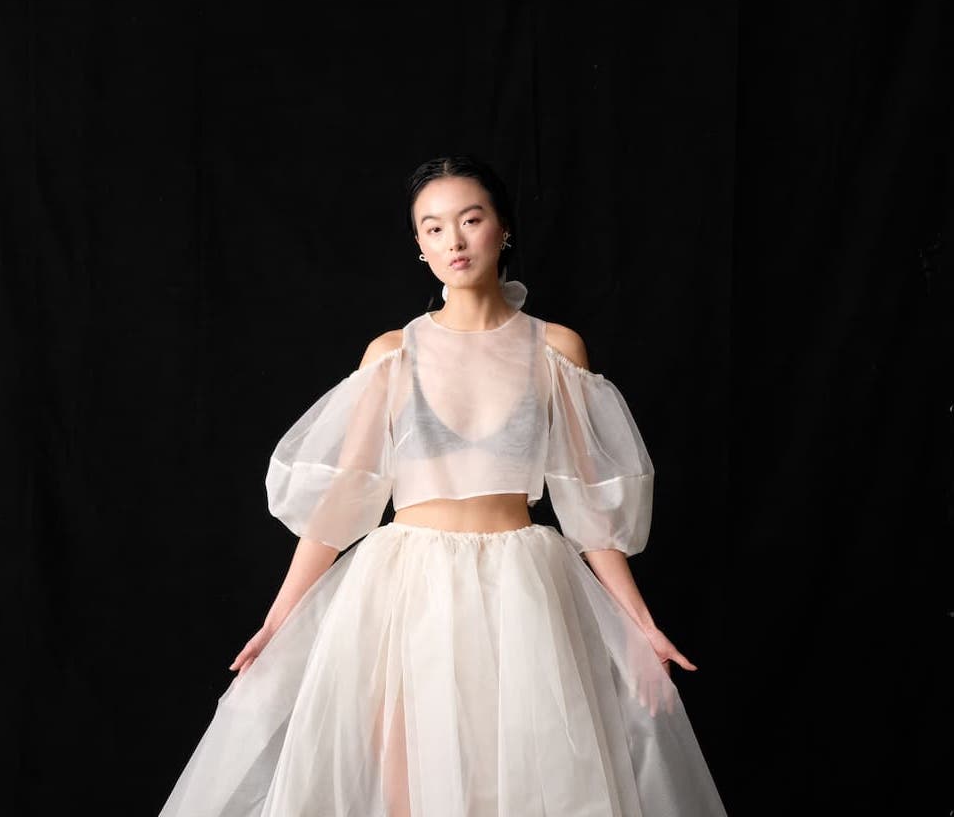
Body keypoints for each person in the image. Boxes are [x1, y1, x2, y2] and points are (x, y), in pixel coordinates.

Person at [158, 156, 730, 817]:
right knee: (407, 784)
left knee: (523, 783)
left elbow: (588, 509)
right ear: (420, 248)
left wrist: (640, 626)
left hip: (523, 592)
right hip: (405, 590)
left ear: (503, 229)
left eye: (469, 219)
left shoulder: (555, 350)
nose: (453, 240)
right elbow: (342, 505)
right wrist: (277, 622)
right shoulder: (393, 353)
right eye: (433, 228)